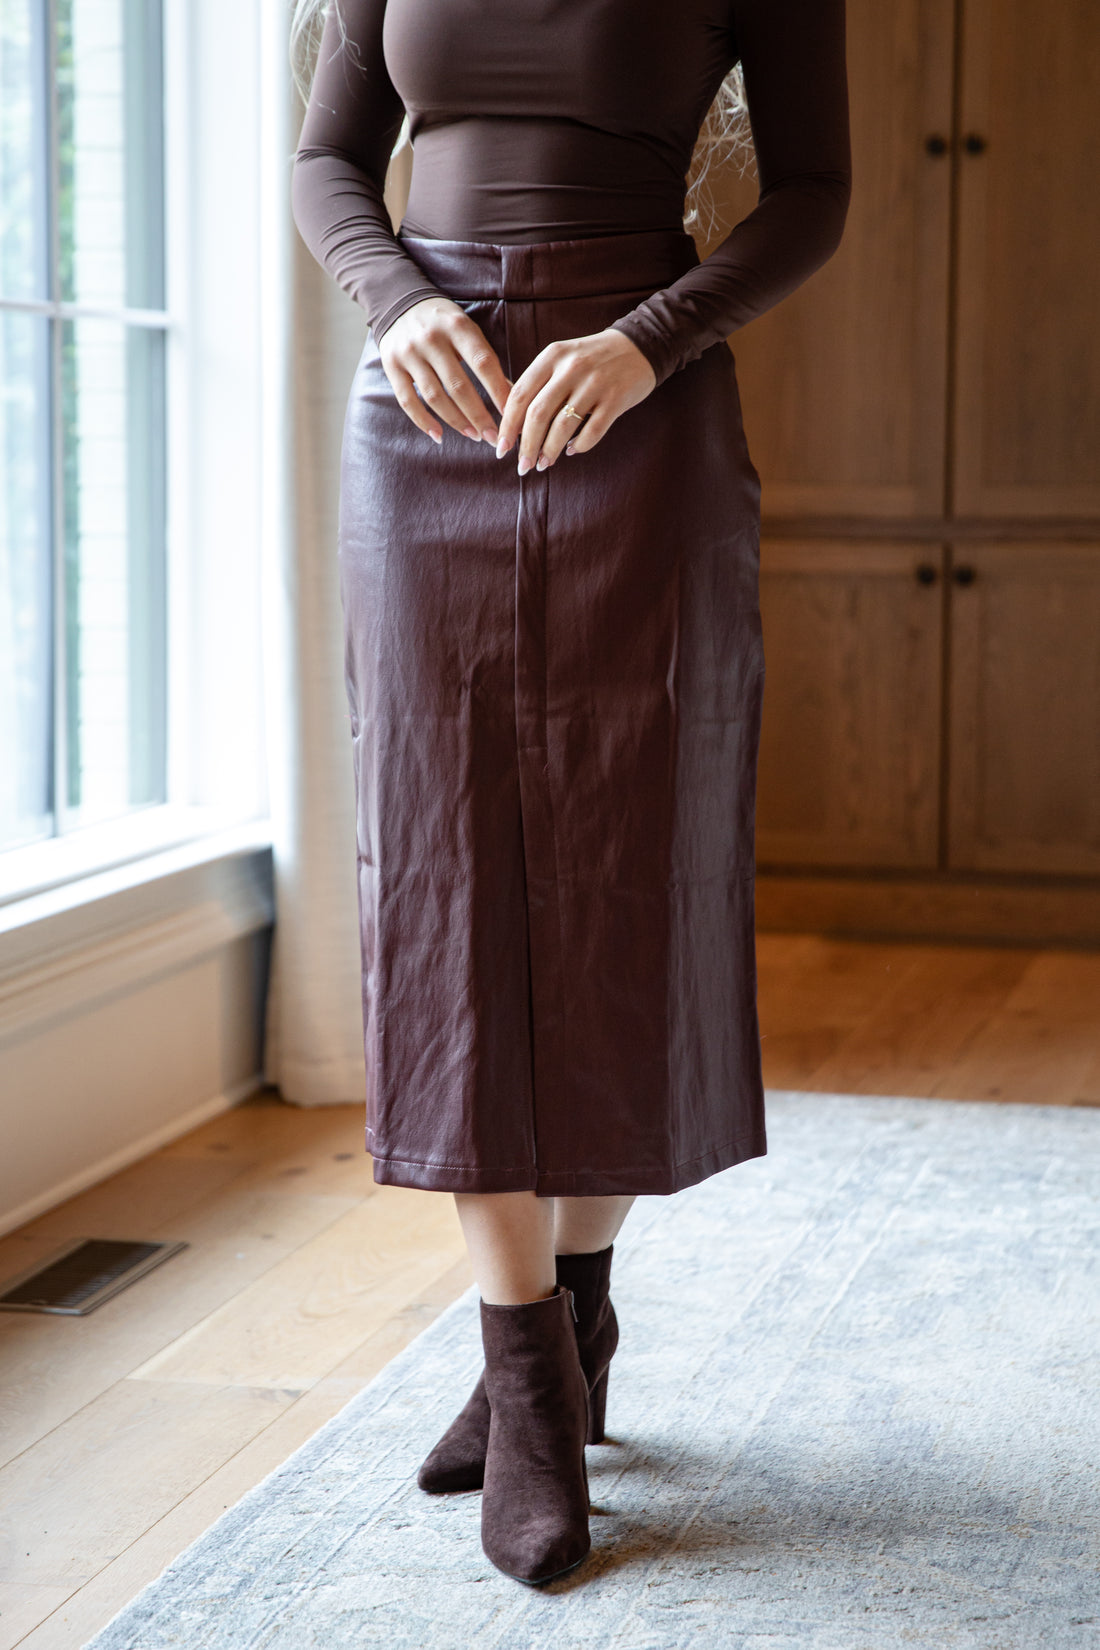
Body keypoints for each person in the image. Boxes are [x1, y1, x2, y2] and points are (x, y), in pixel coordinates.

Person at [289, 0, 851, 1586]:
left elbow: (814, 192)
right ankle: (529, 1364)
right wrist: (392, 304)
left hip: (636, 404)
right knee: (450, 870)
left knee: (621, 864)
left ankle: (578, 1303)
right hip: (431, 407)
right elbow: (329, 159)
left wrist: (646, 341)